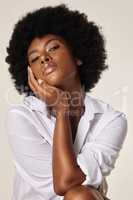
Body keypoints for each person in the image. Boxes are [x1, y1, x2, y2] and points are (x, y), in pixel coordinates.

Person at [5, 3, 127, 200]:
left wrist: (63, 108)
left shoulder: (110, 120)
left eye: (53, 47)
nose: (44, 58)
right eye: (34, 59)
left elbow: (71, 186)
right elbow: (63, 184)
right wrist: (63, 109)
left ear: (77, 55)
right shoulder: (22, 117)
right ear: (31, 74)